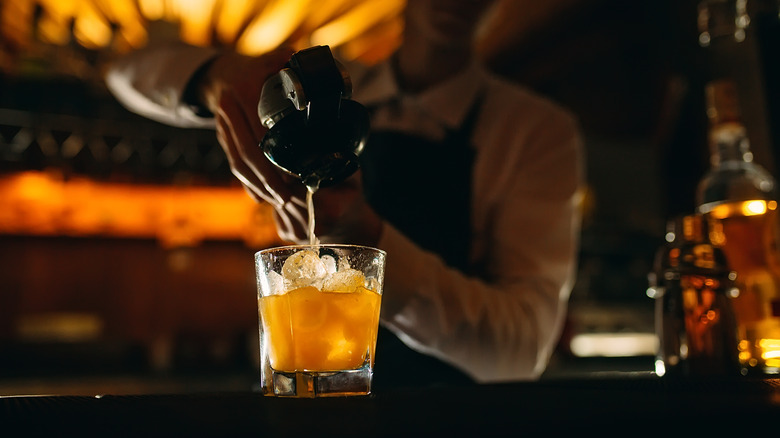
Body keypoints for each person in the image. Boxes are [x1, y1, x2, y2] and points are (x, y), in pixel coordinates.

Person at [105, 0, 585, 386]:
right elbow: (126, 73)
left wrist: (369, 240)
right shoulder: (324, 93)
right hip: (302, 406)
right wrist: (218, 78)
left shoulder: (537, 131)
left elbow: (522, 353)